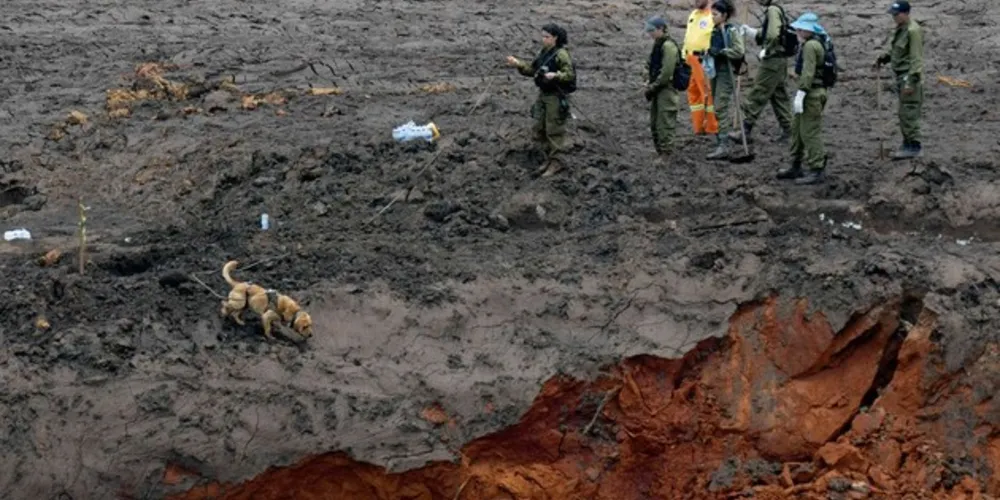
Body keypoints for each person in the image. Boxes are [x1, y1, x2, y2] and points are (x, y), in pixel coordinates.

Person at [506, 24, 575, 177]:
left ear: (555, 38)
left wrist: (556, 75)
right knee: (540, 128)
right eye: (543, 36)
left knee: (554, 129)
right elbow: (533, 70)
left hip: (556, 97)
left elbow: (569, 74)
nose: (543, 40)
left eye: (547, 37)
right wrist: (518, 64)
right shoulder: (544, 52)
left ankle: (557, 162)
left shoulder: (561, 54)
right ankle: (548, 159)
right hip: (544, 94)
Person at [729, 0, 794, 144]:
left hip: (772, 60)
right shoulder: (777, 9)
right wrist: (751, 32)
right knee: (778, 95)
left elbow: (772, 35)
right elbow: (769, 33)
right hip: (780, 60)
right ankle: (789, 130)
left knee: (759, 92)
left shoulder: (772, 10)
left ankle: (745, 130)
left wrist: (768, 49)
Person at [777, 12, 828, 184]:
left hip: (812, 94)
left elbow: (809, 73)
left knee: (809, 132)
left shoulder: (810, 46)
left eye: (801, 29)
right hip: (810, 92)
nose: (798, 31)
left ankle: (817, 169)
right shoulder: (812, 43)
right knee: (797, 129)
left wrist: (802, 92)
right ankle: (795, 165)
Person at [875, 1, 924, 159]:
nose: (894, 18)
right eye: (893, 15)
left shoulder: (913, 31)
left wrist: (910, 81)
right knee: (903, 113)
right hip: (901, 77)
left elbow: (916, 59)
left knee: (909, 112)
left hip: (909, 78)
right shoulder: (901, 29)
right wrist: (884, 58)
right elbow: (896, 50)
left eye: (896, 14)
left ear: (905, 13)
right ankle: (907, 143)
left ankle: (913, 146)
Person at [704, 0, 745, 160]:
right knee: (715, 105)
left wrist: (722, 52)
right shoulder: (714, 30)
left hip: (726, 72)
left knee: (721, 106)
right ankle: (721, 140)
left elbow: (739, 51)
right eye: (711, 14)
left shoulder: (731, 31)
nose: (712, 17)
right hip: (715, 71)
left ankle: (724, 145)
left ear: (724, 15)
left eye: (715, 14)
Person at [644, 15, 682, 165]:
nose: (650, 34)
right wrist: (647, 78)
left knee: (664, 121)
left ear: (661, 29)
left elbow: (666, 73)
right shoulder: (658, 45)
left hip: (666, 89)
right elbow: (649, 64)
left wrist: (652, 87)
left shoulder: (668, 46)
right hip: (658, 88)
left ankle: (666, 153)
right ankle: (660, 151)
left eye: (652, 30)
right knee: (655, 121)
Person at [683, 0, 718, 136]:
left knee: (707, 93)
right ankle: (698, 127)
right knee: (693, 93)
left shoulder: (713, 16)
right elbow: (688, 36)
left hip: (702, 59)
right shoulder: (694, 14)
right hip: (689, 58)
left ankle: (712, 126)